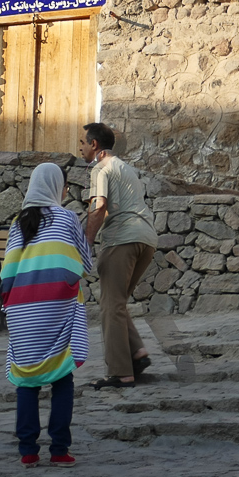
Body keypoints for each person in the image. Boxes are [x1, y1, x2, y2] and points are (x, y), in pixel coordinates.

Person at [0, 163, 90, 467]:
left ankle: (28, 450)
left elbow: (8, 270)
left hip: (21, 309)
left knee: (27, 381)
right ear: (56, 188)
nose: (65, 192)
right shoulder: (67, 217)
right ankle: (59, 450)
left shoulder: (18, 222)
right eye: (64, 186)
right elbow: (84, 263)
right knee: (62, 375)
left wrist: (9, 305)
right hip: (56, 306)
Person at [78, 122, 157, 390]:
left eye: (83, 142)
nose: (81, 147)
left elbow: (99, 207)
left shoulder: (101, 168)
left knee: (110, 306)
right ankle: (137, 353)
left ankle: (120, 373)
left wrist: (87, 242)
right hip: (146, 240)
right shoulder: (126, 167)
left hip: (122, 239)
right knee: (117, 302)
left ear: (95, 145)